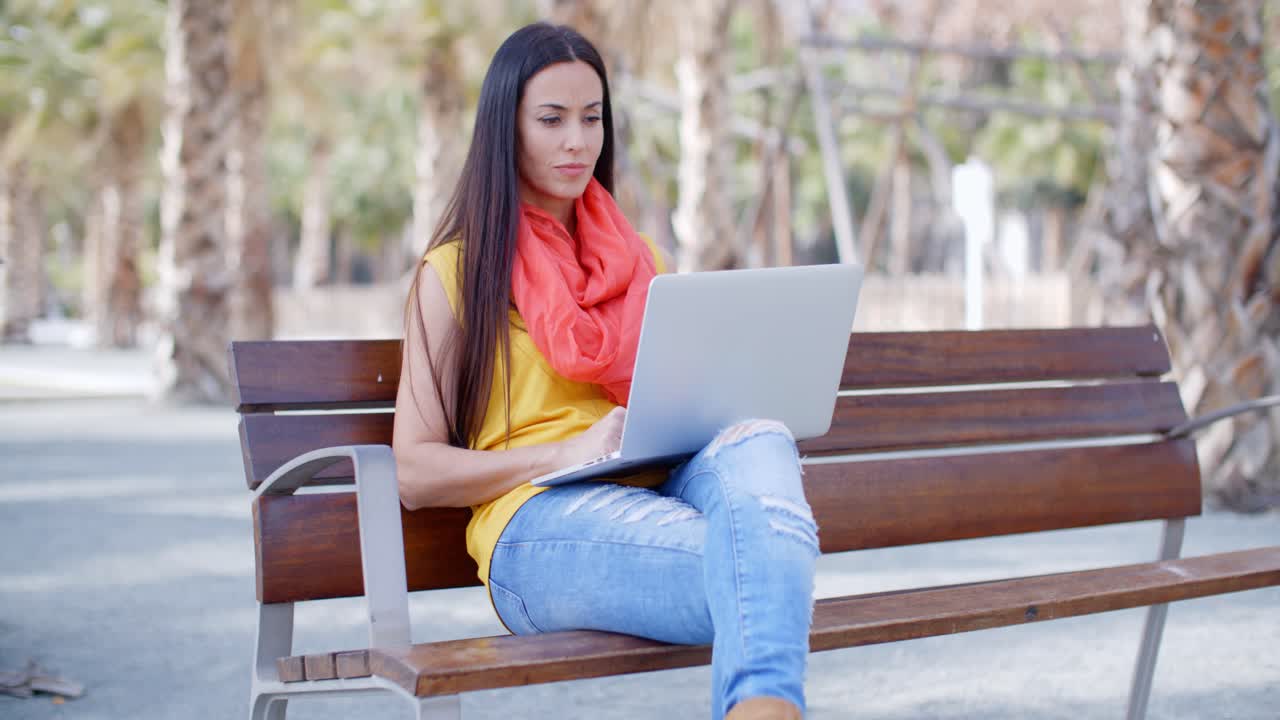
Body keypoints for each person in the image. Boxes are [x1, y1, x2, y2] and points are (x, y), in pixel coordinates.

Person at [393, 22, 818, 720]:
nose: (577, 141)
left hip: (655, 486)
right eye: (552, 120)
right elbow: (414, 473)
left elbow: (683, 395)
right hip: (536, 528)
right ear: (507, 127)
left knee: (761, 435)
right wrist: (565, 452)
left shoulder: (639, 258)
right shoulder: (455, 273)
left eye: (591, 118)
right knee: (770, 553)